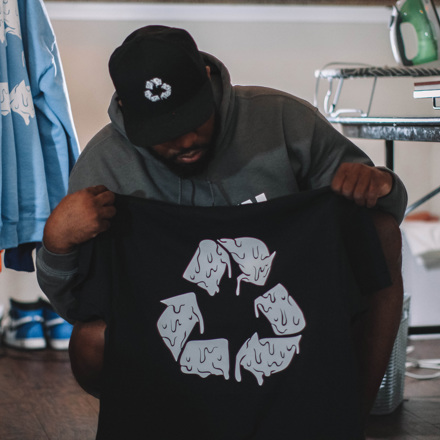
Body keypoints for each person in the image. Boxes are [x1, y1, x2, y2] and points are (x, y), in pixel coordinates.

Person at [36, 25, 406, 437]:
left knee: (381, 232)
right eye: (163, 131)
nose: (186, 139)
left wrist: (381, 184)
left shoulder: (283, 120)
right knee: (91, 341)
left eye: (193, 117)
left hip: (290, 318)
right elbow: (78, 306)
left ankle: (348, 424)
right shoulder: (105, 165)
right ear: (127, 110)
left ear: (209, 79)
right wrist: (56, 242)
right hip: (170, 339)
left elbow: (376, 217)